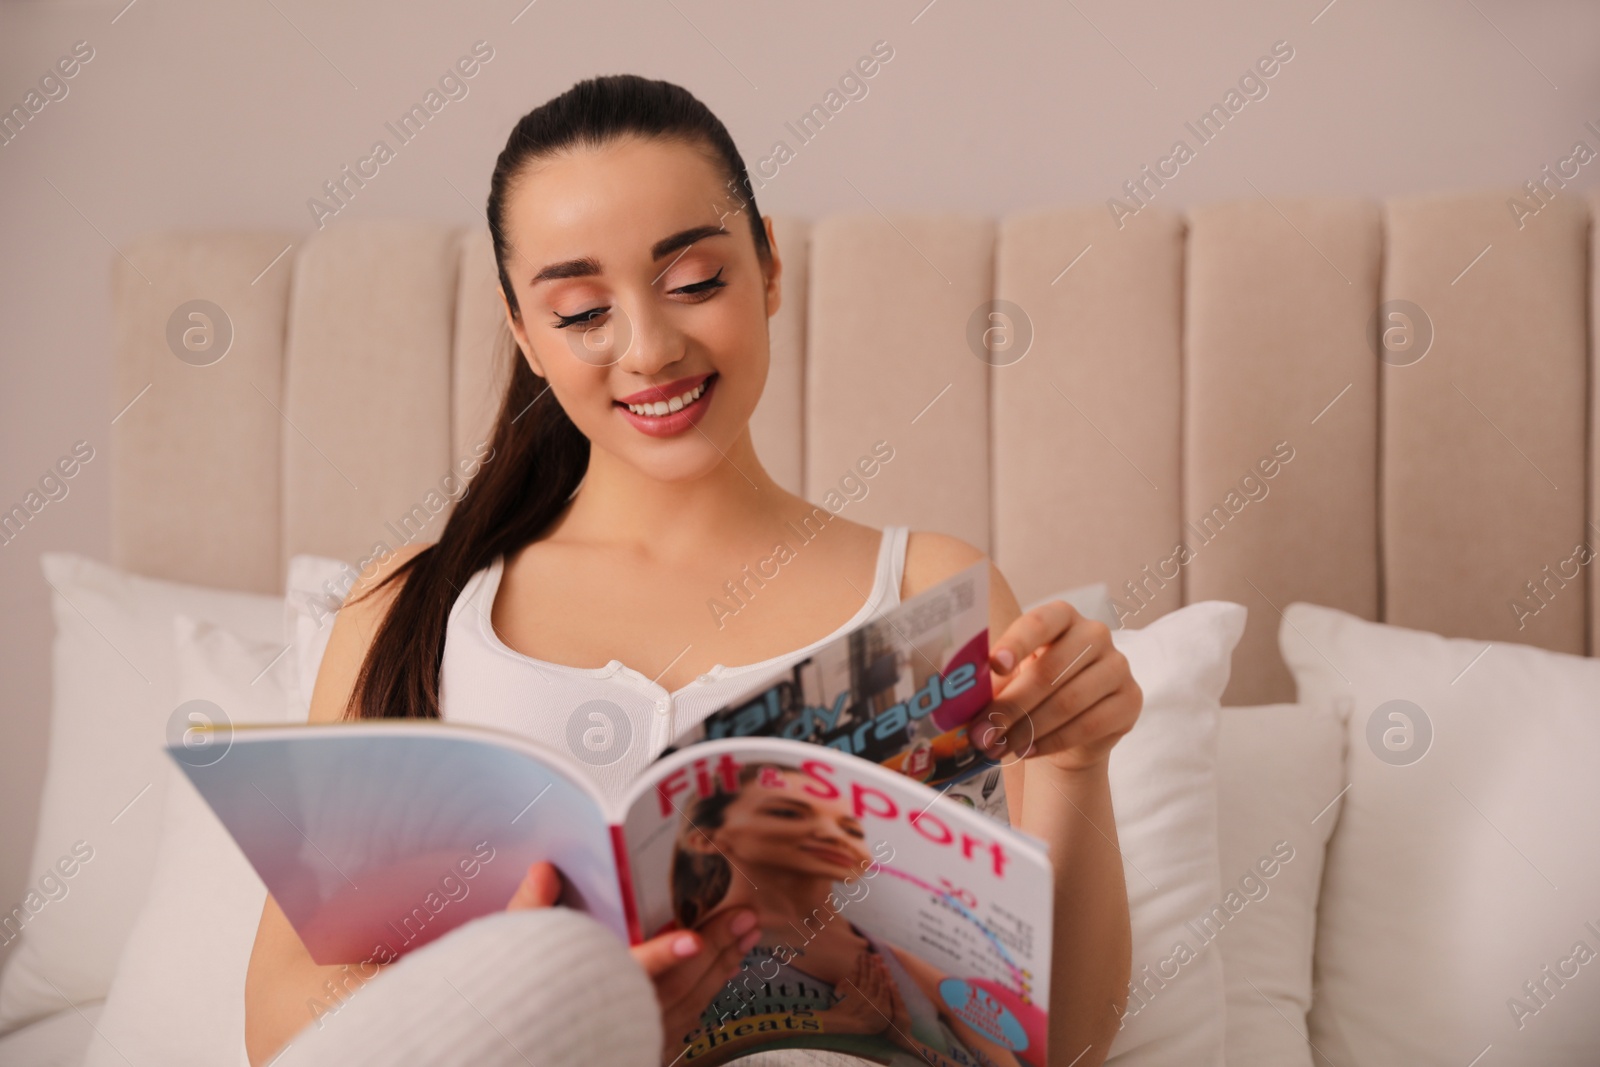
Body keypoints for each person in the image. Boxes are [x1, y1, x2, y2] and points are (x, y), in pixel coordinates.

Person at [244, 73, 1141, 1067]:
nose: (651, 348)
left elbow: (1071, 1042)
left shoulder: (930, 585)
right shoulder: (409, 604)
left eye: (694, 282)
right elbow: (282, 1017)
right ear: (524, 335)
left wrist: (1073, 763)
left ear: (767, 269)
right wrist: (566, 1013)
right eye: (583, 310)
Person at [664, 761, 1027, 1067]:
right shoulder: (683, 957)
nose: (830, 834)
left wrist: (901, 1038)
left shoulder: (891, 957)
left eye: (849, 827)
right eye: (788, 812)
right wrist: (829, 1023)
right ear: (705, 837)